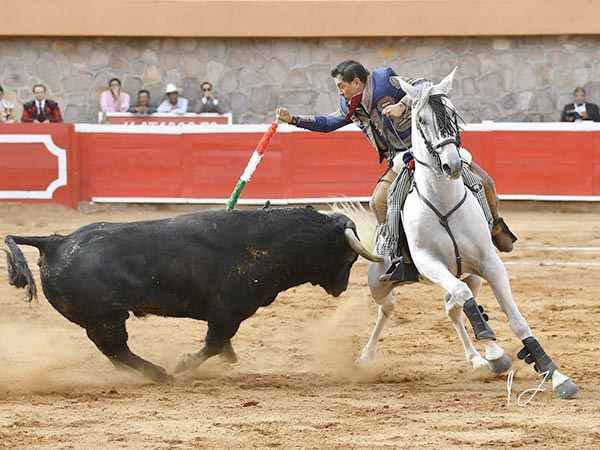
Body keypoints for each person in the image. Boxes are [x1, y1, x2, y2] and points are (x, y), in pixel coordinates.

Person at [277, 60, 515, 282]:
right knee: (378, 202)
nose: (339, 91)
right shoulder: (350, 105)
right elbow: (328, 123)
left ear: (357, 82)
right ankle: (404, 257)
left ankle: (494, 227)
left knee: (485, 183)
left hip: (432, 149)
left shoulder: (385, 80)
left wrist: (402, 105)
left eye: (341, 86)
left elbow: (424, 86)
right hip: (400, 159)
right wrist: (294, 119)